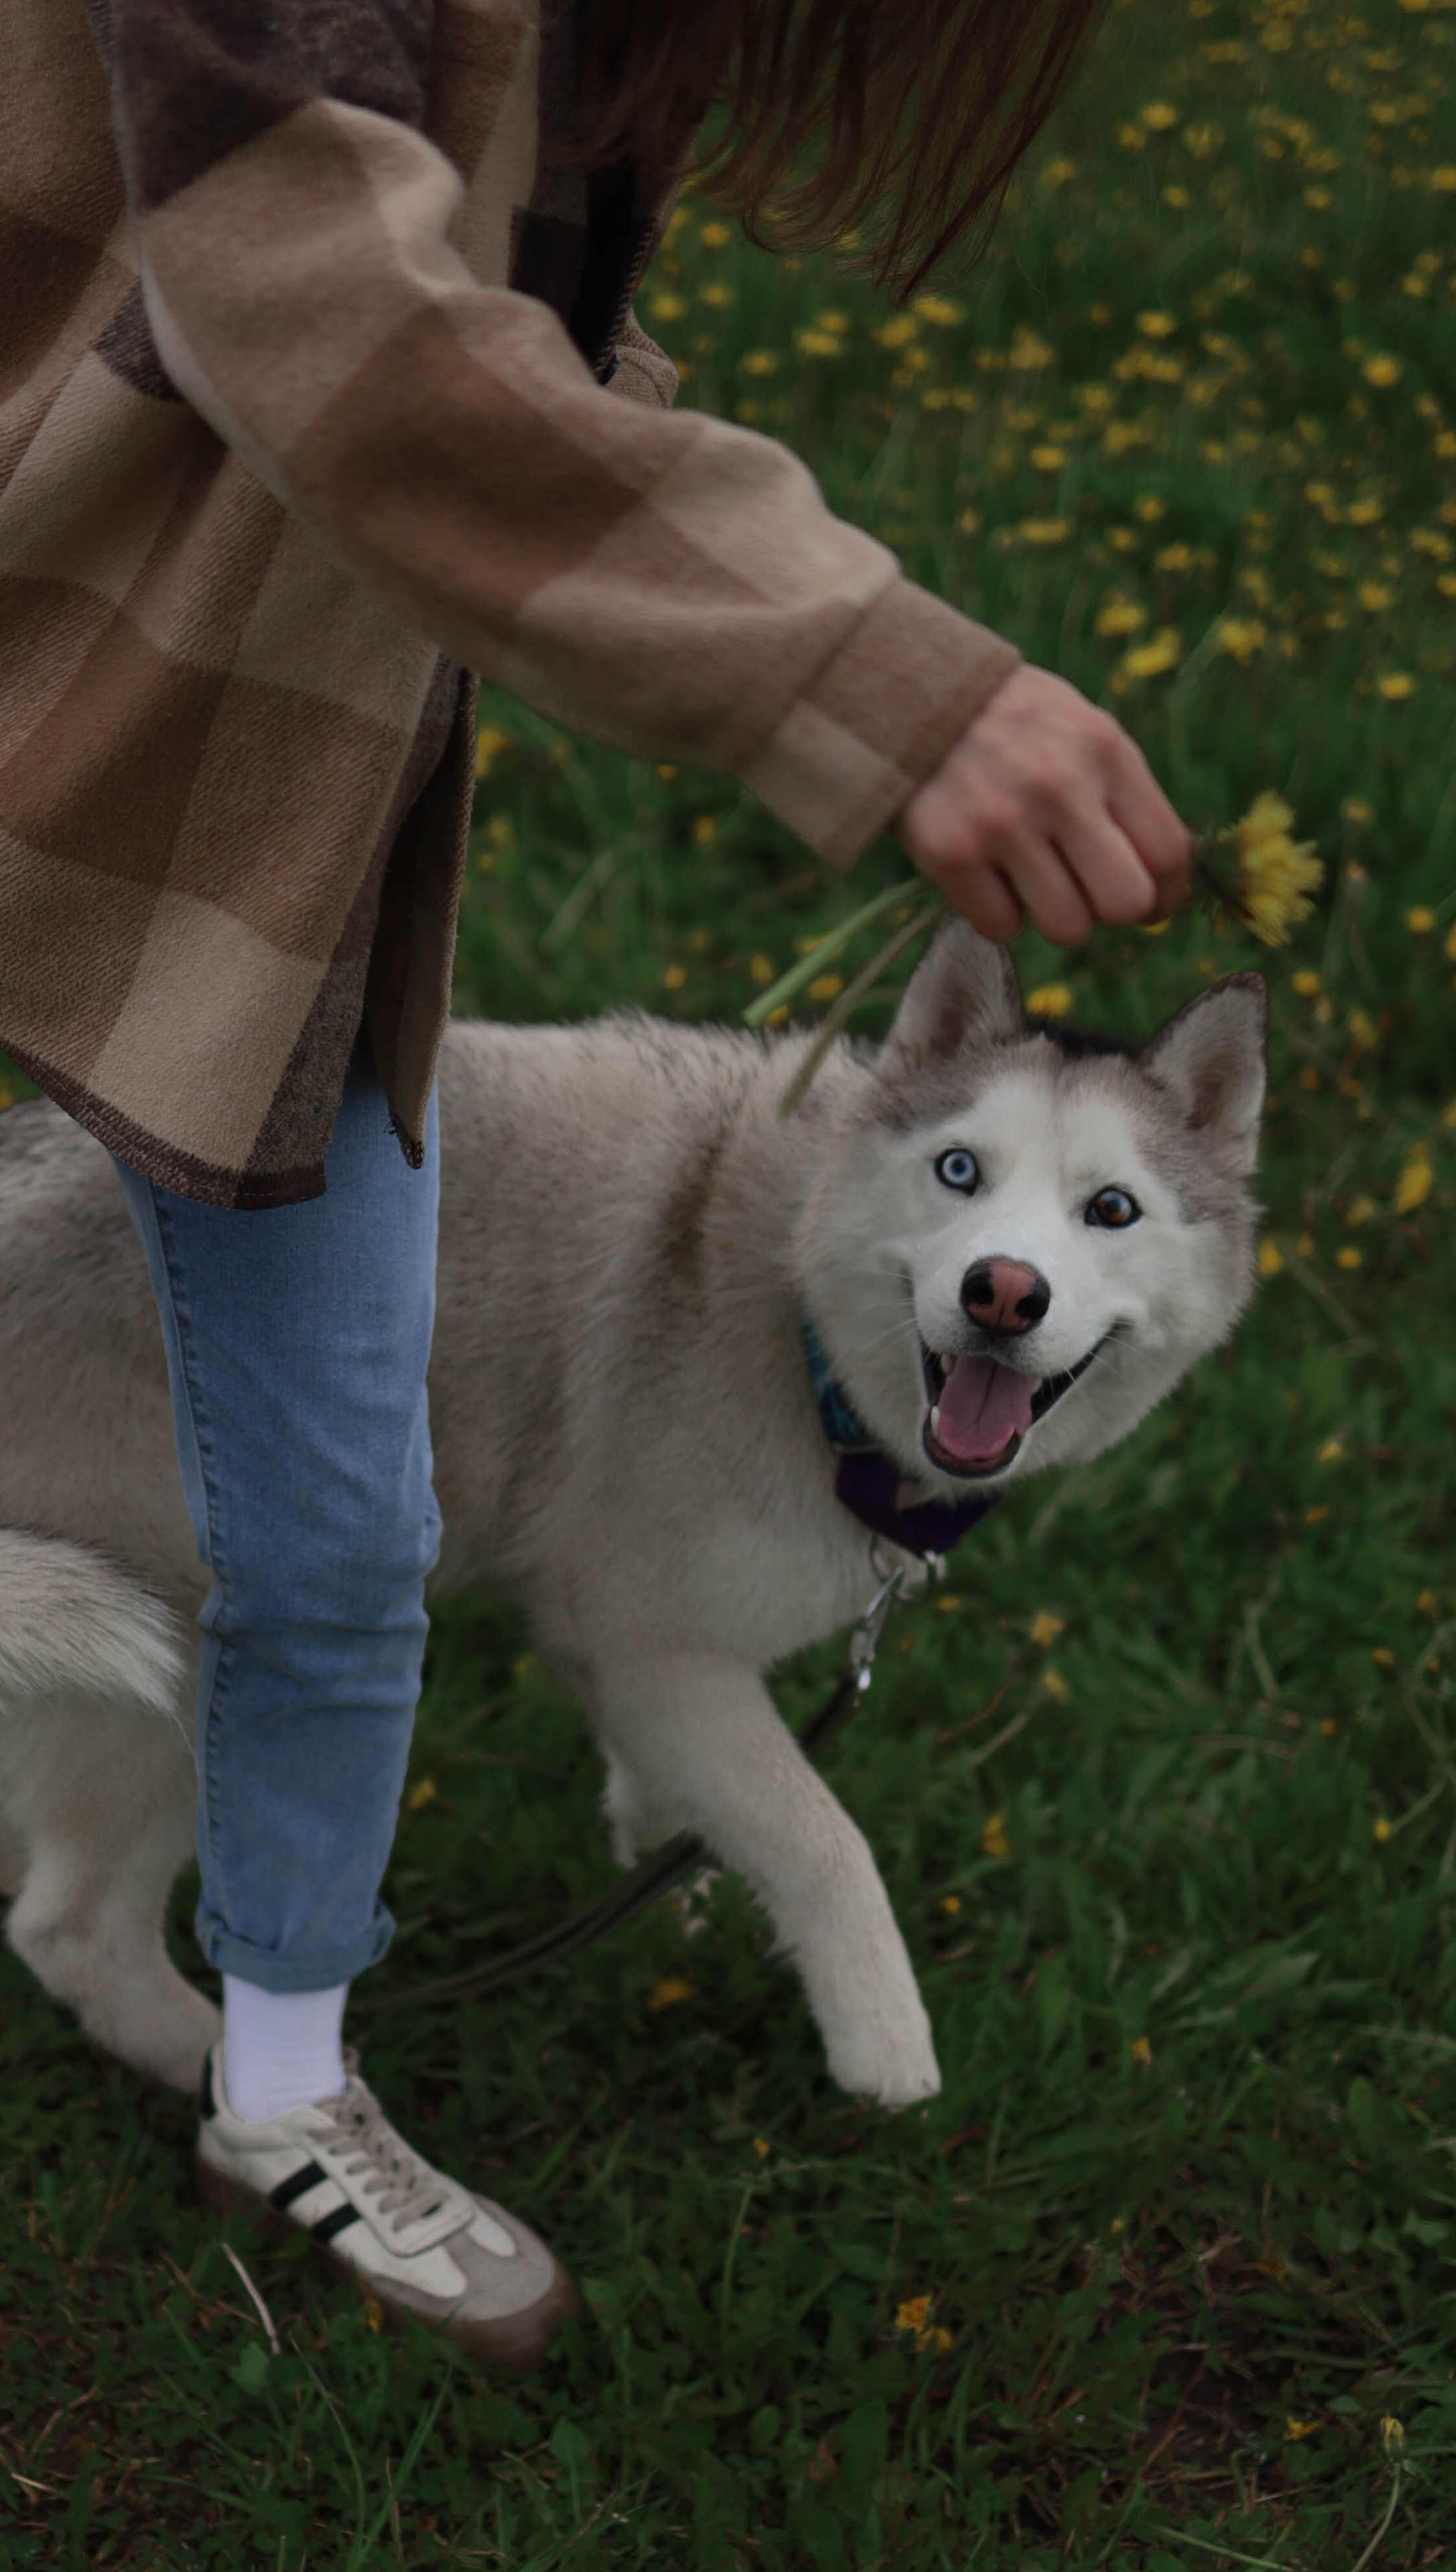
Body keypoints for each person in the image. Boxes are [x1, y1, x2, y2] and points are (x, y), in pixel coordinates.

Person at [0, 0, 1193, 2367]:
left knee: (342, 1534)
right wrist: (862, 670)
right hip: (63, 662)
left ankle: (283, 2082)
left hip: (260, 833)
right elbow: (304, 278)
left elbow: (492, 333)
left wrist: (639, 453)